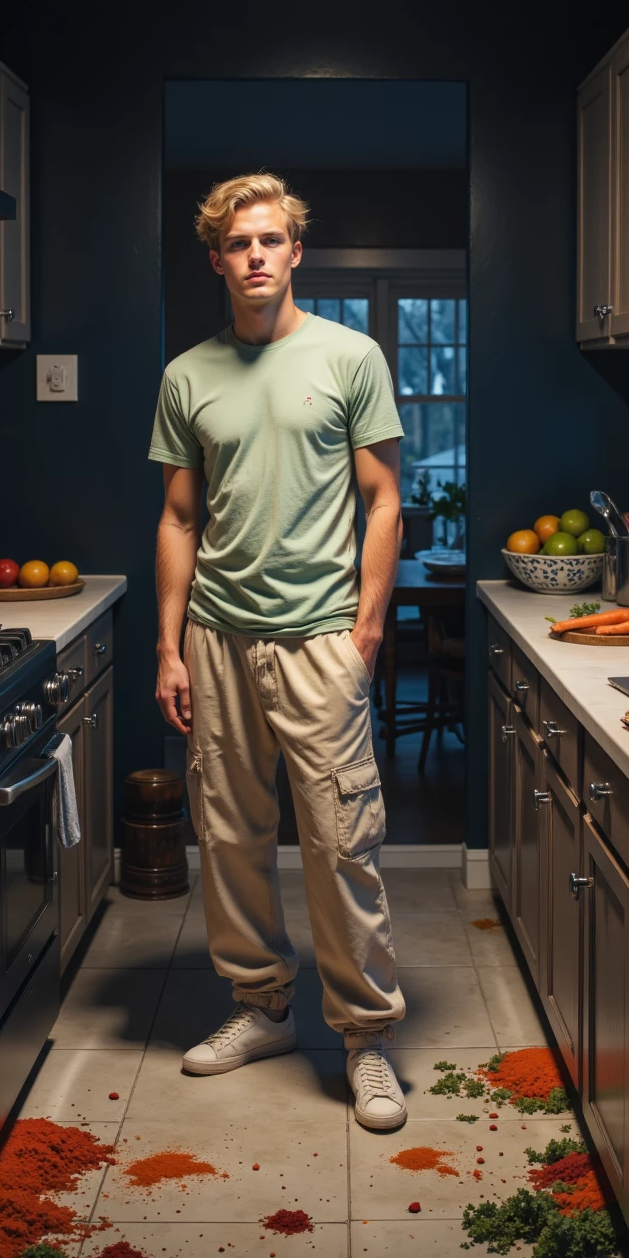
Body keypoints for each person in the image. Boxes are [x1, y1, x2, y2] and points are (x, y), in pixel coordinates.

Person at [149, 172, 407, 1130]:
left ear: (296, 252)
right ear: (217, 261)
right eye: (237, 243)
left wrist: (365, 631)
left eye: (270, 240)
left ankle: (366, 1037)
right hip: (216, 638)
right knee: (229, 839)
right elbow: (179, 518)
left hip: (320, 640)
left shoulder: (350, 357)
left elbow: (384, 500)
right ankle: (262, 1007)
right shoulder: (187, 376)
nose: (255, 255)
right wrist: (169, 647)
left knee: (341, 843)